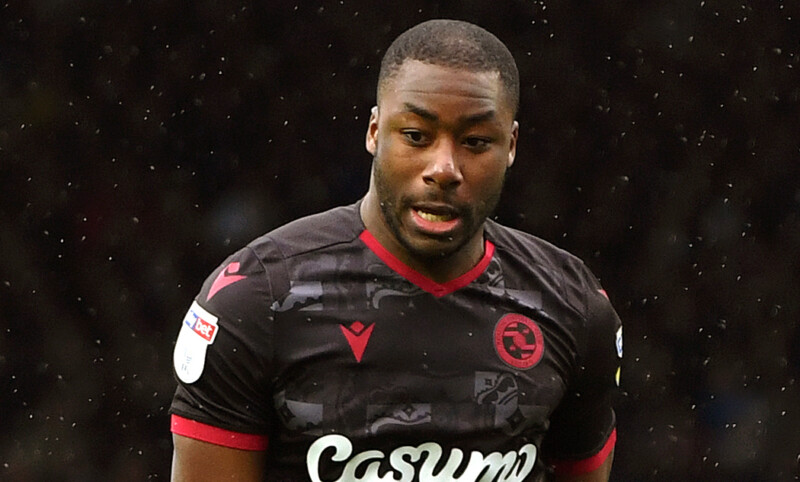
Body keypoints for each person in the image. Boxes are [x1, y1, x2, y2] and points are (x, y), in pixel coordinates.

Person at [169, 19, 622, 482]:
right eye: (416, 136)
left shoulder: (573, 308)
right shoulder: (258, 299)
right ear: (374, 131)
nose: (443, 168)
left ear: (510, 146)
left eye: (475, 142)